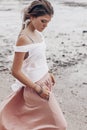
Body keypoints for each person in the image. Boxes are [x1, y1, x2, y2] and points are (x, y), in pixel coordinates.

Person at [0, 0, 67, 129]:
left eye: (48, 22)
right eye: (43, 21)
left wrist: (48, 72)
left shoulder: (38, 34)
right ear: (32, 17)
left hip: (45, 82)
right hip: (35, 88)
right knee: (59, 125)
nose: (46, 25)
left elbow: (39, 59)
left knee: (39, 124)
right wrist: (38, 89)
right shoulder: (24, 39)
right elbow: (15, 71)